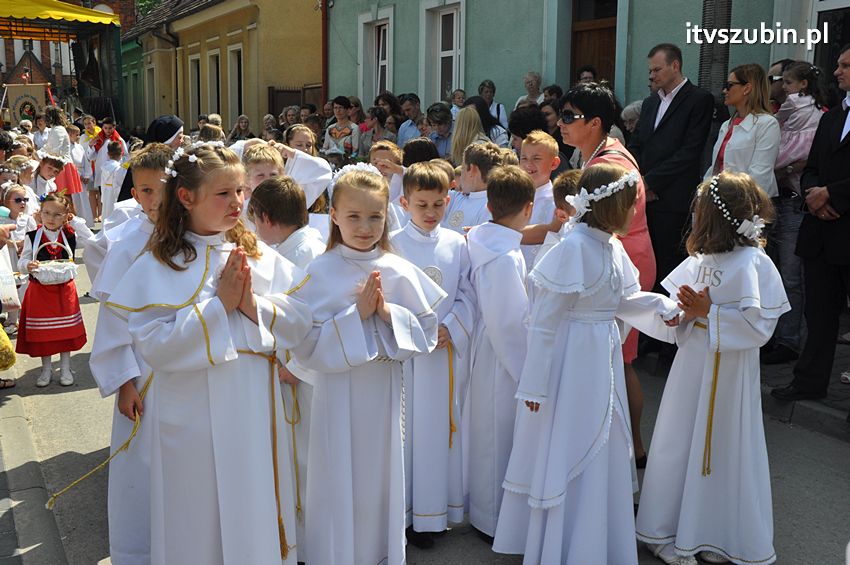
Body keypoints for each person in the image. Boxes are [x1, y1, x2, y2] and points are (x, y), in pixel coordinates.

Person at [104, 144, 312, 564]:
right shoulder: (160, 265)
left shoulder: (259, 255)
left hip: (254, 408)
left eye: (241, 191)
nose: (237, 202)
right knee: (195, 515)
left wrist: (253, 306)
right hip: (190, 415)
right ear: (186, 197)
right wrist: (220, 307)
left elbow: (301, 322)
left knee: (252, 503)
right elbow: (156, 346)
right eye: (224, 193)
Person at [492, 164, 679, 565]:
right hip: (573, 360)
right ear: (609, 206)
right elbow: (543, 323)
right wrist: (535, 385)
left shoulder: (611, 246)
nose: (634, 214)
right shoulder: (572, 249)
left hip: (602, 355)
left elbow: (620, 301)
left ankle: (593, 539)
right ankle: (563, 544)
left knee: (605, 439)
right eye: (630, 206)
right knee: (573, 441)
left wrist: (664, 307)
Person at [286, 165, 445, 565]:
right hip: (335, 394)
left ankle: (377, 553)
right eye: (353, 216)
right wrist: (354, 315)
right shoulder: (319, 272)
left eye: (375, 216)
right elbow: (302, 344)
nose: (364, 226)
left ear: (387, 215)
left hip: (382, 391)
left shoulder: (399, 268)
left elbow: (427, 331)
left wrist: (388, 312)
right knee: (336, 474)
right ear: (334, 216)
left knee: (378, 477)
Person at [638, 172, 787, 565]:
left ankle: (716, 532)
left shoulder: (754, 262)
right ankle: (667, 527)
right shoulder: (701, 260)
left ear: (715, 215)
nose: (695, 214)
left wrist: (710, 312)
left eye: (700, 208)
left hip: (730, 370)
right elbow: (679, 308)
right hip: (692, 366)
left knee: (721, 443)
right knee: (679, 439)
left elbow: (760, 327)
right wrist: (680, 315)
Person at [560, 81, 657, 466]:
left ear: (595, 122)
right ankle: (624, 444)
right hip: (618, 255)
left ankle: (631, 446)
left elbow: (604, 222)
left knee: (621, 359)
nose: (562, 124)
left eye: (570, 117)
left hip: (622, 261)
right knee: (618, 356)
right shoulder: (599, 153)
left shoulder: (609, 163)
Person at [88, 142, 173, 565]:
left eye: (162, 188)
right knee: (140, 464)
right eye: (144, 190)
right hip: (141, 372)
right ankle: (139, 550)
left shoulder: (191, 235)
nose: (153, 199)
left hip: (184, 369)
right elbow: (113, 322)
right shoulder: (126, 244)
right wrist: (124, 381)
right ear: (134, 194)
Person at [390, 162, 475, 548]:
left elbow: (468, 294)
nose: (430, 213)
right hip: (404, 358)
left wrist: (451, 326)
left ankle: (431, 516)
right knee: (404, 435)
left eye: (439, 204)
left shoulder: (457, 244)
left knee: (436, 432)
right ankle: (402, 516)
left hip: (440, 355)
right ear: (405, 202)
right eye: (422, 204)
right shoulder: (391, 243)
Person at [772, 44, 850, 403]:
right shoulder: (833, 117)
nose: (837, 72)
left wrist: (831, 194)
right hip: (821, 229)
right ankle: (809, 381)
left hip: (845, 223)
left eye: (845, 65)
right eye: (838, 65)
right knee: (819, 315)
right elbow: (811, 165)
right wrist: (813, 194)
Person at [466, 165, 534, 539]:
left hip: (486, 345)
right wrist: (528, 372)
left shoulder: (487, 240)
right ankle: (491, 518)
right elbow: (509, 323)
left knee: (489, 429)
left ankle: (487, 511)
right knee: (497, 430)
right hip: (500, 356)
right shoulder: (503, 257)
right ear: (528, 207)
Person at [628, 43, 715, 292]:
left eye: (657, 69)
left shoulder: (699, 99)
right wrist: (639, 180)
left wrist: (652, 182)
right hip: (644, 198)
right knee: (644, 265)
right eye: (650, 71)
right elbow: (637, 144)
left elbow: (690, 151)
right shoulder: (649, 103)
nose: (651, 76)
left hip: (674, 199)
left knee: (669, 268)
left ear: (675, 66)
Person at [762, 62, 827, 364]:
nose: (780, 86)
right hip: (775, 198)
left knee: (790, 276)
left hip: (793, 201)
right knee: (771, 273)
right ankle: (770, 336)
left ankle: (788, 340)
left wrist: (784, 167)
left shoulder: (810, 113)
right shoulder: (783, 115)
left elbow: (804, 155)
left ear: (802, 85)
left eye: (785, 81)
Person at [17, 193, 88, 387]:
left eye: (57, 214)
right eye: (46, 213)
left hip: (64, 290)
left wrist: (77, 223)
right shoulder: (33, 236)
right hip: (40, 290)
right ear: (40, 214)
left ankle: (65, 367)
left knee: (65, 330)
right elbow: (22, 261)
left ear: (66, 216)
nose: (51, 218)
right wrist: (27, 265)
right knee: (44, 333)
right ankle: (46, 368)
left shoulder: (70, 235)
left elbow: (91, 239)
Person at [705, 64, 780, 200]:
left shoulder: (767, 124)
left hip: (749, 205)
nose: (724, 91)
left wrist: (735, 204)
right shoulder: (726, 125)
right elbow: (715, 168)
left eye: (729, 85)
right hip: (720, 202)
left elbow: (760, 174)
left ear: (747, 88)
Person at [518, 130, 560, 265]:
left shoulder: (558, 202)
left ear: (554, 163)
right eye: (524, 158)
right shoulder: (511, 196)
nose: (528, 164)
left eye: (536, 158)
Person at [442, 142, 502, 234]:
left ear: (472, 170)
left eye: (462, 168)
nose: (460, 176)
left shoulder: (489, 208)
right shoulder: (457, 197)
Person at [86, 117, 128, 220]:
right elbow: (91, 157)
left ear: (114, 127)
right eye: (105, 128)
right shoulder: (98, 140)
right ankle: (103, 216)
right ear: (102, 128)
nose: (108, 130)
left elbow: (126, 156)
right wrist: (91, 146)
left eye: (110, 128)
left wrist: (121, 167)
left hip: (116, 172)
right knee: (104, 198)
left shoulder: (119, 140)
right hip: (103, 173)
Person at [42, 107, 84, 207]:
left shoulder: (58, 130)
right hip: (58, 164)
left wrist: (41, 156)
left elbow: (55, 150)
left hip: (61, 165)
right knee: (58, 196)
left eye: (46, 116)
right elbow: (48, 147)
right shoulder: (55, 129)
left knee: (63, 197)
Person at [99, 142, 124, 220]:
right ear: (121, 154)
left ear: (108, 154)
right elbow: (118, 183)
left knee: (106, 212)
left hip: (106, 191)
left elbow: (102, 183)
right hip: (114, 193)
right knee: (113, 213)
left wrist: (103, 196)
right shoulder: (118, 168)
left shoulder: (104, 166)